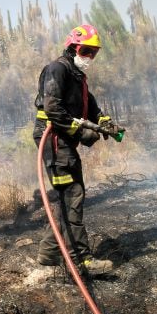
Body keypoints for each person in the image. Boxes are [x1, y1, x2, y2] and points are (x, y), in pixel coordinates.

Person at [33, 24, 121, 276]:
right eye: (85, 50)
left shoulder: (77, 76)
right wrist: (82, 132)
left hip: (62, 140)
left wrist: (103, 121)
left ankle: (49, 252)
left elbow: (89, 104)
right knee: (73, 195)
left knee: (66, 196)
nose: (89, 57)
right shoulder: (57, 69)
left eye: (93, 53)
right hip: (53, 141)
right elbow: (53, 109)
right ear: (72, 47)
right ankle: (81, 262)